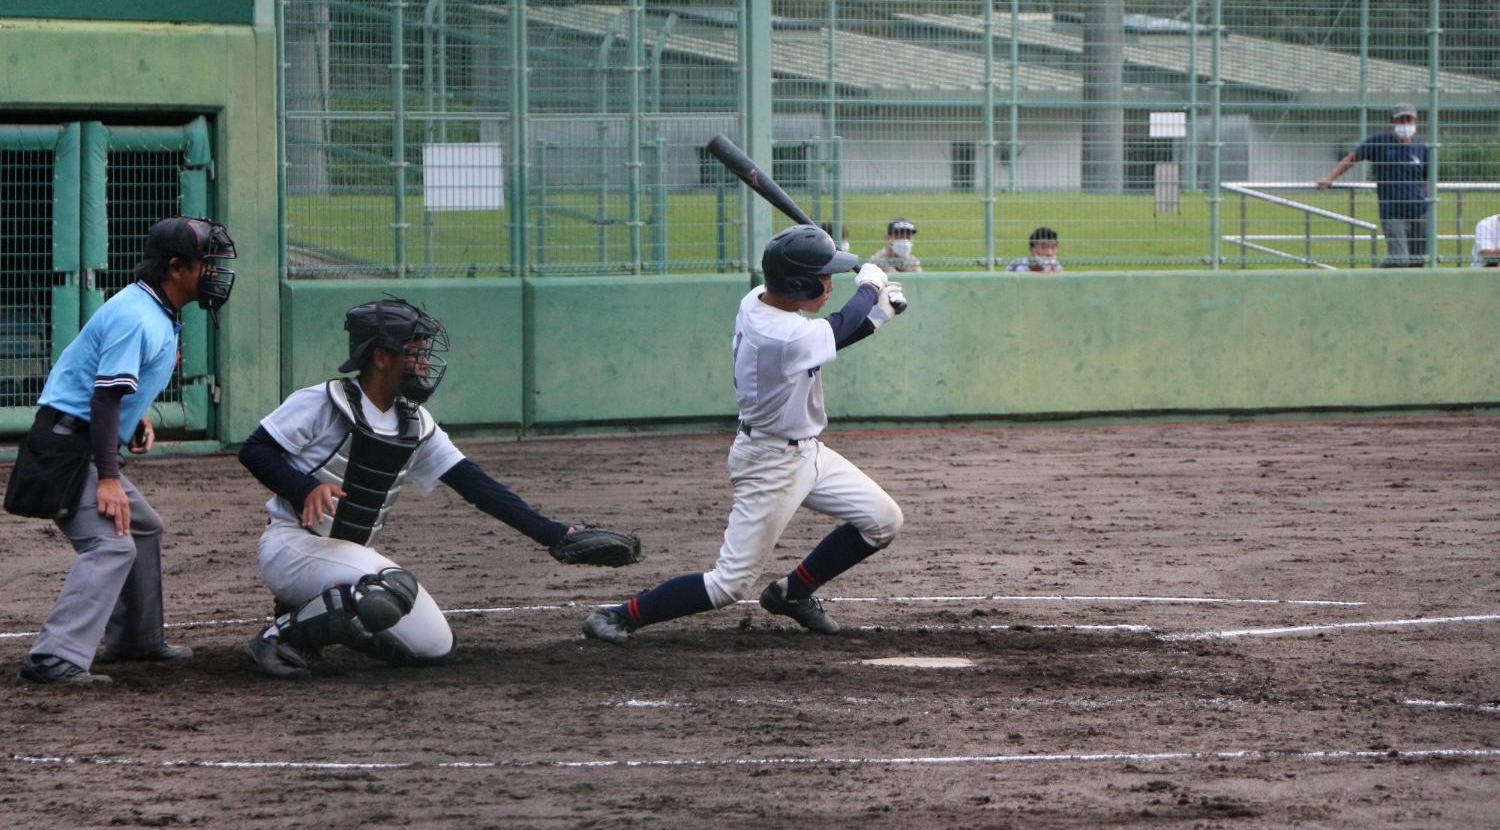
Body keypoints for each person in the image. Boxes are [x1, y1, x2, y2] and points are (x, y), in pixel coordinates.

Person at [239, 297, 639, 680]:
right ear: (380, 357)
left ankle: (323, 622)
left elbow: (475, 484)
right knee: (388, 586)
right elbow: (255, 449)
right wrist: (304, 488)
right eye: (413, 352)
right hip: (292, 546)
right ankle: (279, 637)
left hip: (346, 559)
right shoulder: (323, 402)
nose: (424, 362)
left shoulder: (416, 423)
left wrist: (554, 535)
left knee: (434, 648)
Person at [581, 225, 906, 645]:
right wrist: (870, 287)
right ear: (797, 284)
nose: (829, 284)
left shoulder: (759, 300)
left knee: (883, 520)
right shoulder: (780, 334)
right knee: (728, 584)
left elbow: (830, 337)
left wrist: (877, 315)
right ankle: (618, 616)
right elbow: (835, 329)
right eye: (823, 277)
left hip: (808, 452)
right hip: (770, 462)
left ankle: (792, 593)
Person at [11, 216, 237, 685]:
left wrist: (135, 421)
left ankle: (137, 640)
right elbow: (103, 398)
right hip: (66, 449)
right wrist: (110, 479)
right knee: (110, 544)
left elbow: (111, 393)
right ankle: (52, 657)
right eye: (207, 264)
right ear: (176, 268)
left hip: (81, 438)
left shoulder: (154, 308)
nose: (215, 273)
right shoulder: (137, 317)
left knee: (144, 527)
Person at [1317, 104, 1432, 267]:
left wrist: (1429, 203)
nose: (1405, 124)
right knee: (1400, 260)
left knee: (1418, 261)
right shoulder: (1379, 142)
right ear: (1392, 121)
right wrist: (1330, 178)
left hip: (1419, 211)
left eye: (1409, 120)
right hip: (1393, 213)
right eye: (1401, 120)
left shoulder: (1422, 147)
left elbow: (1427, 178)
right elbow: (1352, 158)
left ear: (1415, 122)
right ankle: (1375, 276)